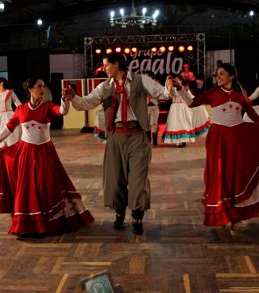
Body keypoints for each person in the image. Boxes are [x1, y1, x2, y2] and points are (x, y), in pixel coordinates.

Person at [63, 52, 177, 235]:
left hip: (137, 135)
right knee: (115, 179)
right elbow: (86, 102)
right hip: (115, 137)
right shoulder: (105, 86)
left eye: (106, 65)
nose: (104, 68)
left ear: (116, 64)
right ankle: (119, 211)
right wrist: (73, 97)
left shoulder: (140, 80)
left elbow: (162, 93)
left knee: (138, 178)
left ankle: (137, 215)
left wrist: (169, 88)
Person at [181, 63, 259, 230]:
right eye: (217, 74)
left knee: (237, 174)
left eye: (222, 73)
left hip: (238, 138)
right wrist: (180, 89)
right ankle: (222, 214)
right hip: (218, 139)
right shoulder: (213, 93)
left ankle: (236, 216)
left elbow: (252, 114)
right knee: (220, 174)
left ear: (231, 76)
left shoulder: (240, 94)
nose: (218, 77)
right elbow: (191, 103)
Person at [0, 76, 94, 236]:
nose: (43, 89)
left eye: (43, 86)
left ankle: (51, 221)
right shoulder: (21, 109)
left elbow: (62, 111)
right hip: (26, 153)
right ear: (30, 89)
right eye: (39, 86)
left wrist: (64, 100)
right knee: (28, 188)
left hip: (45, 152)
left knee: (47, 185)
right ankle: (28, 224)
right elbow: (9, 127)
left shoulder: (47, 107)